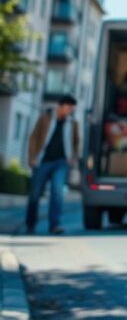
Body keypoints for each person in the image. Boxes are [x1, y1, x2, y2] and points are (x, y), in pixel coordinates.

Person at [25, 94, 80, 235]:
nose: (70, 111)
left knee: (57, 194)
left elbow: (76, 141)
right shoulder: (45, 118)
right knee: (35, 195)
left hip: (61, 163)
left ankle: (54, 225)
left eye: (72, 109)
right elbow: (34, 137)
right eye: (68, 108)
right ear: (60, 106)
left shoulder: (73, 123)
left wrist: (73, 157)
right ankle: (30, 224)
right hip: (42, 161)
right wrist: (31, 157)